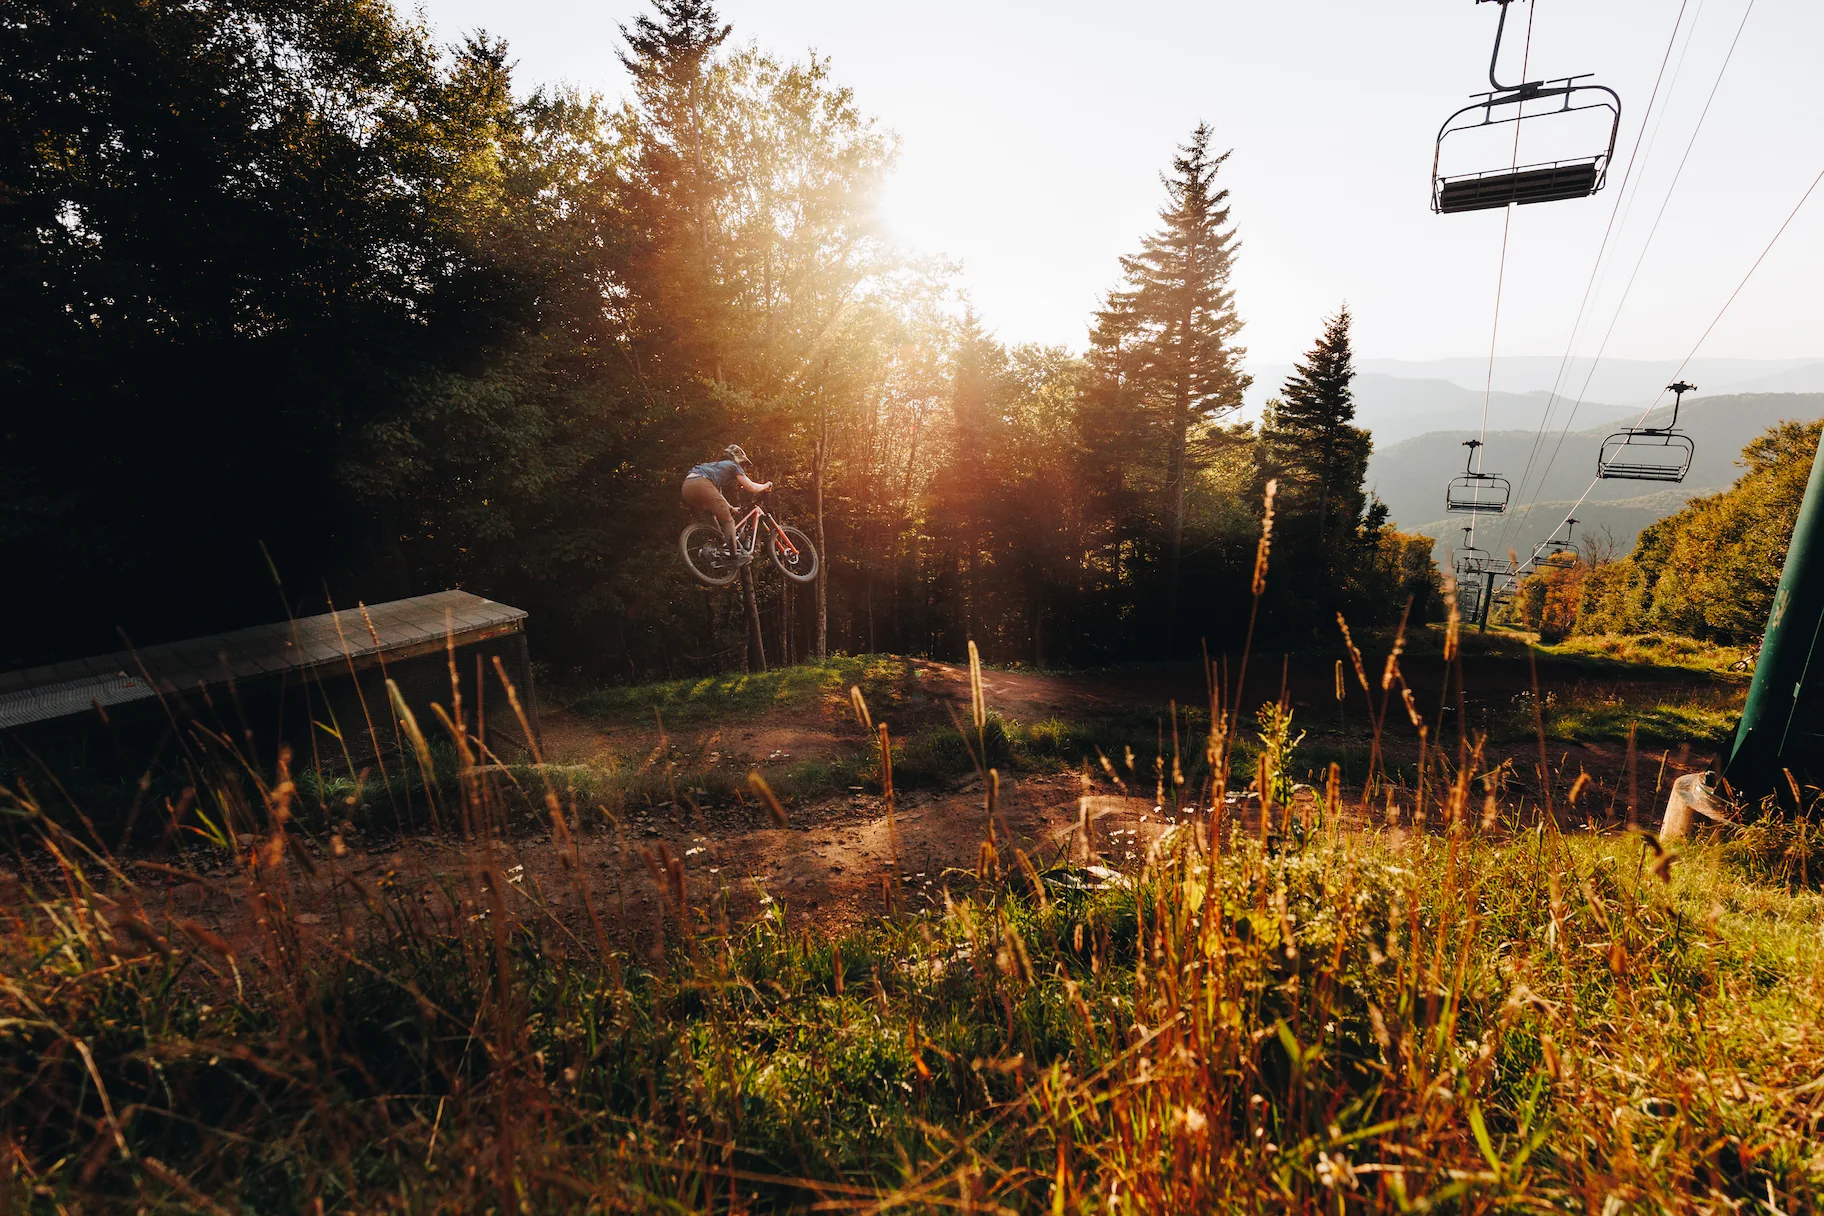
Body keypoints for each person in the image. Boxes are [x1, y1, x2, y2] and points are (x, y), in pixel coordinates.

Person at [682, 444, 773, 564]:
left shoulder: (714, 467)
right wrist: (765, 486)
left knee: (713, 520)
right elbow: (750, 487)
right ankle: (734, 555)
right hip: (702, 485)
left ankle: (712, 548)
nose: (742, 466)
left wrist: (730, 508)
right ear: (737, 458)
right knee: (728, 521)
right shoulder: (733, 466)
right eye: (743, 463)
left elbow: (716, 495)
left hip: (687, 488)